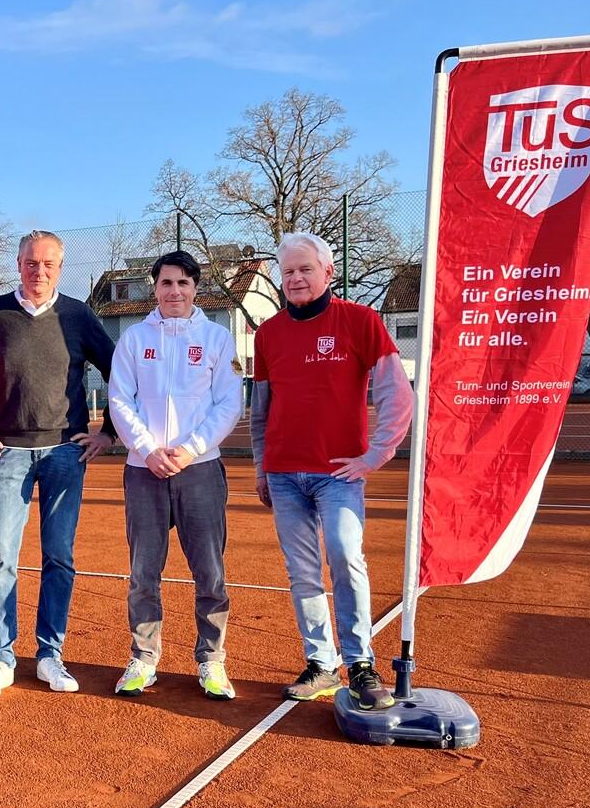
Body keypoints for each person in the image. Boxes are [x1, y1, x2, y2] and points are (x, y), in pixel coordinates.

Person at [252, 232, 413, 710]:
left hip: (339, 474)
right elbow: (261, 413)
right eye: (288, 272)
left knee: (345, 556)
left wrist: (375, 455)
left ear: (328, 272)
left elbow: (396, 394)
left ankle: (361, 664)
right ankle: (321, 664)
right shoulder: (269, 334)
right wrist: (262, 469)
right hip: (283, 474)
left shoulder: (360, 322)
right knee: (302, 572)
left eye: (305, 269)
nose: (296, 278)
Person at [0, 230, 118, 699]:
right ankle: (2, 656)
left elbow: (119, 368)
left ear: (61, 266)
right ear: (18, 263)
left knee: (59, 558)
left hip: (64, 454)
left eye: (48, 264)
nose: (39, 271)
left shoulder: (77, 314)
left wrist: (108, 430)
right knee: (1, 559)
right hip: (7, 451)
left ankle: (50, 654)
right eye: (31, 263)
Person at [106, 250, 243, 699]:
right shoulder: (133, 340)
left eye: (183, 284)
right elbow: (120, 400)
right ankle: (144, 659)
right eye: (166, 283)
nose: (175, 292)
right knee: (144, 572)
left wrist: (190, 449)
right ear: (154, 287)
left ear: (195, 288)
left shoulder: (217, 339)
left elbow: (228, 402)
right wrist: (146, 450)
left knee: (210, 573)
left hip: (199, 470)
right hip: (143, 472)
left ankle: (212, 660)